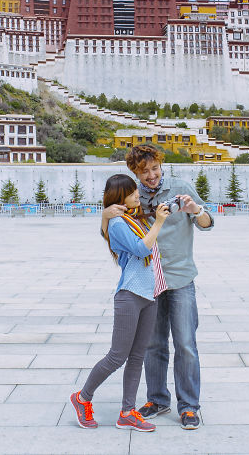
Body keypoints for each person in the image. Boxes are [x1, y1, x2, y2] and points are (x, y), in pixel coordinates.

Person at [101, 144, 214, 430]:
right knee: (153, 344)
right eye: (144, 171)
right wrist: (105, 216)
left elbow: (208, 223)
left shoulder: (180, 187)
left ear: (161, 165)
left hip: (179, 277)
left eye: (154, 168)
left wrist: (194, 208)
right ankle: (157, 399)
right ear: (134, 172)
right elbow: (113, 235)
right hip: (148, 283)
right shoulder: (131, 198)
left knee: (186, 344)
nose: (151, 175)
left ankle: (189, 406)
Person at [70, 174, 170, 432]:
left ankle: (127, 412)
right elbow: (141, 249)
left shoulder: (131, 219)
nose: (138, 194)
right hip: (130, 295)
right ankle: (82, 398)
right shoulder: (117, 223)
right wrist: (158, 223)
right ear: (120, 196)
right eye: (133, 191)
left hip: (149, 294)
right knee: (117, 356)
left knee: (137, 357)